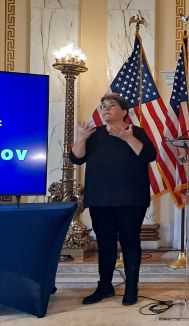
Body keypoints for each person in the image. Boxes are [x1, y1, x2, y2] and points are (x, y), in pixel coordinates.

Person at [70, 93, 156, 305]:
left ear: (124, 112)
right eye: (103, 106)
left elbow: (148, 156)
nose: (106, 109)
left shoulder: (136, 132)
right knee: (106, 244)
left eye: (111, 105)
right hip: (101, 199)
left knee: (130, 243)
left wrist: (128, 138)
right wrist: (80, 138)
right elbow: (76, 158)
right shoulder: (94, 134)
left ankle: (131, 288)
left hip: (131, 199)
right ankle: (105, 286)